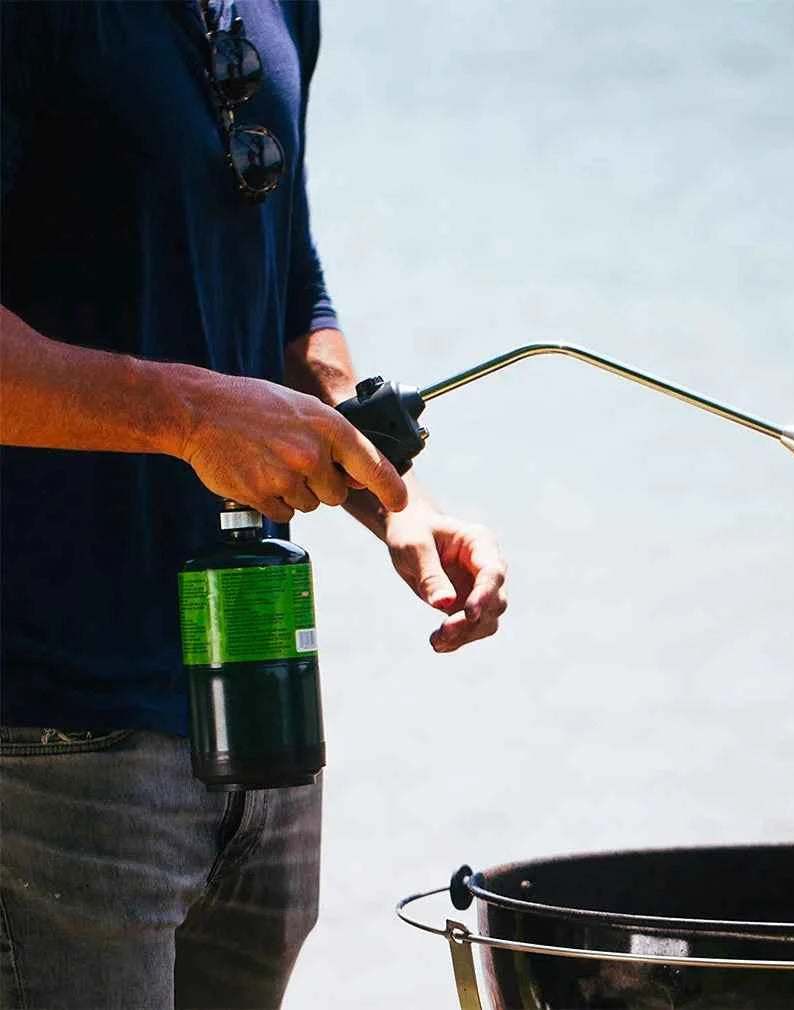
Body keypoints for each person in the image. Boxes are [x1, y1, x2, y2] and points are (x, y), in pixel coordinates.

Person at [0, 2, 507, 1006]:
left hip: (257, 717)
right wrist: (191, 416)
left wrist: (393, 493)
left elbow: (286, 278)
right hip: (47, 736)